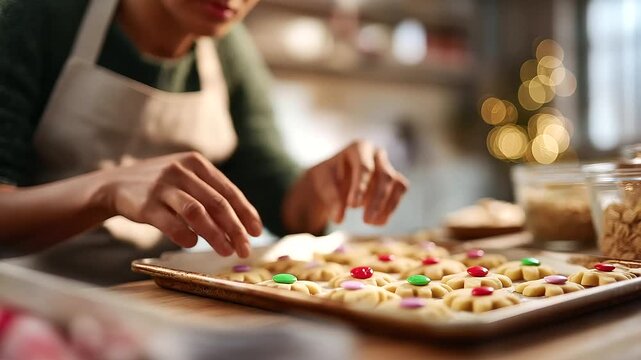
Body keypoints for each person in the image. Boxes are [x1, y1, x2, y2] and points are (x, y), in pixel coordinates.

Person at [0, 0, 408, 284]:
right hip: (31, 302)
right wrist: (105, 190)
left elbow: (283, 205)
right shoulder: (34, 17)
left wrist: (323, 186)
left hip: (155, 301)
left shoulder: (228, 49)